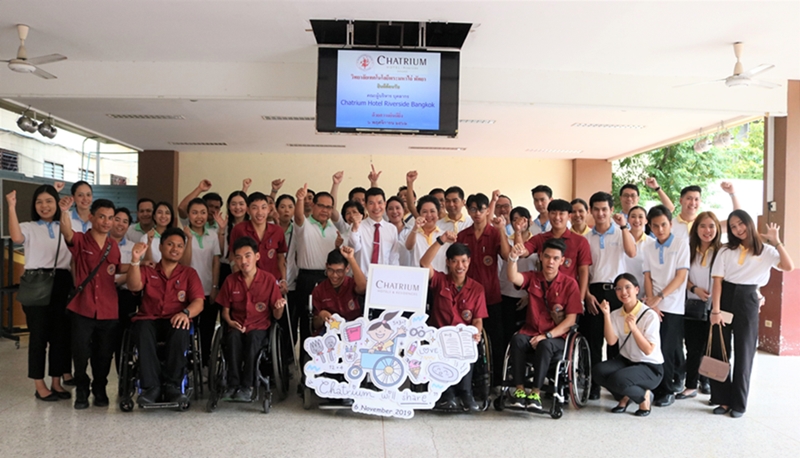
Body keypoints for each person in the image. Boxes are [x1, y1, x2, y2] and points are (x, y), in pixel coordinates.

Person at [709, 210, 794, 418]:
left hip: (748, 300)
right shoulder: (726, 250)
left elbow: (788, 266)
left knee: (744, 352)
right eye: (733, 227)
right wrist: (715, 310)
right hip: (726, 298)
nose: (738, 229)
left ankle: (738, 403)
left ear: (749, 223)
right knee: (719, 350)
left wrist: (776, 242)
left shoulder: (766, 251)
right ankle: (722, 399)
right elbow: (717, 282)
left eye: (741, 224)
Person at [6, 186, 74, 401]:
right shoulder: (29, 227)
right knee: (38, 337)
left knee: (59, 337)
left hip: (62, 281)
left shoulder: (64, 225)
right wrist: (11, 206)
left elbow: (72, 240)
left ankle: (56, 381)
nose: (44, 206)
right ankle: (39, 384)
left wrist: (65, 212)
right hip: (37, 282)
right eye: (39, 202)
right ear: (34, 205)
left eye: (49, 201)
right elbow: (16, 238)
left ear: (56, 203)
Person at [127, 229, 205, 406]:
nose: (175, 249)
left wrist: (185, 313)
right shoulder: (148, 270)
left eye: (179, 246)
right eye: (170, 244)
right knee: (142, 329)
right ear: (161, 247)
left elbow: (198, 302)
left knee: (181, 327)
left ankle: (173, 386)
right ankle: (151, 387)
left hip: (175, 319)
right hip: (149, 318)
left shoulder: (189, 273)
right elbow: (134, 286)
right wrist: (135, 260)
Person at [58, 196, 121, 409]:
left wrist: (139, 263)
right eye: (102, 217)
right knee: (80, 352)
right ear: (92, 217)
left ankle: (100, 388)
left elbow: (116, 269)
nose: (106, 222)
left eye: (110, 218)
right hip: (83, 307)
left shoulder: (113, 246)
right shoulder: (81, 240)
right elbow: (66, 232)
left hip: (108, 308)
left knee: (104, 354)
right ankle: (82, 388)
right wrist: (64, 211)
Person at [505, 238, 582, 411]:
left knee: (545, 345)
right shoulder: (534, 277)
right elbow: (513, 277)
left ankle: (535, 393)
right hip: (531, 331)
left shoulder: (570, 284)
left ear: (562, 261)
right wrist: (513, 258)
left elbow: (571, 320)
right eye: (547, 257)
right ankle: (519, 390)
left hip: (556, 336)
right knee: (517, 339)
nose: (550, 262)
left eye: (555, 258)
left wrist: (547, 335)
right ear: (540, 256)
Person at [216, 236, 287, 401]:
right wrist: (230, 322)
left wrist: (279, 307)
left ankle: (247, 385)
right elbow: (225, 311)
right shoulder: (230, 281)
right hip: (236, 324)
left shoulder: (269, 280)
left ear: (257, 256)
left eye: (247, 256)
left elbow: (277, 316)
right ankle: (233, 384)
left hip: (259, 327)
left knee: (254, 339)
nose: (243, 261)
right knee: (232, 339)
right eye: (239, 257)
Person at [420, 237, 486, 411]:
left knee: (470, 346)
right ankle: (446, 393)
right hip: (439, 335)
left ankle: (466, 392)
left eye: (463, 261)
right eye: (455, 261)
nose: (460, 266)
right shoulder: (440, 280)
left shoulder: (477, 288)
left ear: (469, 261)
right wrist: (440, 241)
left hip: (463, 337)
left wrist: (476, 333)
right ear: (448, 262)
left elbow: (477, 319)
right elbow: (424, 263)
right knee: (440, 349)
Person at [583, 191, 636, 399]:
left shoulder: (621, 232)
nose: (600, 213)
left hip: (618, 292)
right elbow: (584, 271)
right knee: (594, 341)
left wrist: (624, 227)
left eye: (604, 209)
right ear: (591, 211)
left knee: (618, 341)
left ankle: (616, 386)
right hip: (594, 293)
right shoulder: (587, 238)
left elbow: (632, 253)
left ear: (611, 210)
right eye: (596, 209)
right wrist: (586, 294)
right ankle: (594, 385)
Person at [593, 274, 663, 417]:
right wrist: (606, 315)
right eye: (618, 289)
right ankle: (628, 395)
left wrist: (634, 329)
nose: (623, 292)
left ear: (637, 289)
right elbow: (611, 341)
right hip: (627, 361)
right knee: (598, 371)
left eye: (627, 287)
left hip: (649, 366)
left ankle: (644, 397)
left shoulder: (649, 315)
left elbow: (648, 350)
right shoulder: (616, 314)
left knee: (618, 380)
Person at [642, 205, 689, 408]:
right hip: (653, 305)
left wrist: (660, 297)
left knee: (667, 349)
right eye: (655, 226)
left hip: (673, 305)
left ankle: (667, 390)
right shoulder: (648, 247)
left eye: (663, 225)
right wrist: (651, 302)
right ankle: (655, 385)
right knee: (653, 346)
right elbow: (647, 276)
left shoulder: (681, 244)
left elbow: (681, 276)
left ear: (670, 224)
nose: (660, 229)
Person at [458, 192, 505, 387]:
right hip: (467, 298)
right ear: (468, 210)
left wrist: (502, 230)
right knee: (469, 339)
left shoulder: (494, 233)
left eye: (481, 209)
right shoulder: (462, 235)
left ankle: (496, 382)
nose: (477, 213)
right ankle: (470, 381)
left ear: (487, 210)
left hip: (491, 295)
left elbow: (506, 255)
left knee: (495, 340)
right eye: (473, 209)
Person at [679, 211, 721, 400]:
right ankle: (690, 385)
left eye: (711, 226)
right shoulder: (687, 249)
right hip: (693, 306)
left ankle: (708, 382)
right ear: (696, 229)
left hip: (716, 307)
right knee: (693, 347)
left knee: (712, 347)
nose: (707, 230)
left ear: (717, 229)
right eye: (702, 226)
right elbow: (680, 276)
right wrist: (694, 289)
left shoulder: (722, 251)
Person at [521, 199, 592, 303]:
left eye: (561, 213)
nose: (557, 217)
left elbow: (583, 271)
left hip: (568, 295)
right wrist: (518, 232)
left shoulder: (580, 241)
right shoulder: (540, 238)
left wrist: (580, 299)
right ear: (548, 215)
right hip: (542, 296)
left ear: (569, 216)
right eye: (553, 213)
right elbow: (523, 252)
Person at [294, 183, 339, 346]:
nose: (325, 210)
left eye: (329, 207)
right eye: (321, 206)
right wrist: (300, 199)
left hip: (329, 279)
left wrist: (336, 184)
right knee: (307, 320)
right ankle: (306, 357)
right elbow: (298, 216)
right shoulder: (304, 224)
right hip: (307, 278)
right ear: (313, 205)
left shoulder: (334, 229)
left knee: (329, 319)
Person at [182, 198, 221, 367]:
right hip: (187, 291)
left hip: (207, 288)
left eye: (203, 213)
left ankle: (205, 362)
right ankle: (188, 362)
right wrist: (189, 239)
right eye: (195, 212)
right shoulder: (182, 235)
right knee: (188, 329)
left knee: (207, 329)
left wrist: (214, 286)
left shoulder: (212, 234)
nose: (199, 217)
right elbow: (184, 264)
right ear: (188, 215)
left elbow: (216, 262)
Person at [229, 192, 287, 288]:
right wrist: (240, 281)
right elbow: (233, 257)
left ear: (268, 209)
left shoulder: (277, 230)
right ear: (248, 210)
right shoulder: (239, 229)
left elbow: (281, 257)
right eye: (255, 208)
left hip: (272, 283)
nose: (260, 212)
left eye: (263, 207)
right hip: (247, 284)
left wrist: (284, 280)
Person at [312, 247, 367, 329]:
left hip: (353, 330)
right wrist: (321, 316)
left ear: (347, 268)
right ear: (326, 266)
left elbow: (363, 287)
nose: (335, 275)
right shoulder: (319, 290)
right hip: (330, 332)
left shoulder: (351, 284)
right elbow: (315, 325)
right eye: (331, 270)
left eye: (339, 271)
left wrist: (351, 258)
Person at [110, 207, 137, 370]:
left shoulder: (134, 247)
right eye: (117, 219)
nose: (120, 224)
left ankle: (123, 375)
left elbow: (137, 269)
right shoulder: (100, 243)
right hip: (103, 294)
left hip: (125, 296)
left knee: (123, 338)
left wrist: (118, 281)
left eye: (125, 221)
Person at [348, 187, 400, 268]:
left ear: (385, 204)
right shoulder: (357, 226)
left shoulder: (392, 229)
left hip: (383, 275)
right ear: (365, 205)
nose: (376, 207)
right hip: (361, 275)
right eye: (371, 203)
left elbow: (393, 258)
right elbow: (354, 248)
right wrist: (355, 228)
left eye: (379, 203)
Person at [215, 189, 249, 289]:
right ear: (229, 207)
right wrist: (221, 230)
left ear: (247, 206)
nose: (237, 207)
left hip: (247, 268)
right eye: (233, 204)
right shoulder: (224, 225)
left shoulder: (252, 226)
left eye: (241, 204)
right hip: (226, 269)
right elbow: (221, 253)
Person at [405, 196, 446, 271]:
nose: (429, 215)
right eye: (424, 212)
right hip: (418, 277)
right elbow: (409, 247)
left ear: (438, 214)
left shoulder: (444, 236)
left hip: (439, 277)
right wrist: (415, 227)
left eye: (432, 211)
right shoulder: (413, 233)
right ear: (419, 214)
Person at [623, 206, 649, 300]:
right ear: (628, 219)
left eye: (640, 217)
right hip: (622, 292)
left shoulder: (652, 243)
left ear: (646, 220)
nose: (637, 220)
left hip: (643, 293)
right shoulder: (621, 238)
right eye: (633, 216)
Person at [386, 196, 412, 266]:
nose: (394, 211)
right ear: (386, 212)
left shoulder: (411, 230)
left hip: (407, 270)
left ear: (403, 210)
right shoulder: (381, 230)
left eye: (397, 208)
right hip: (386, 270)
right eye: (390, 209)